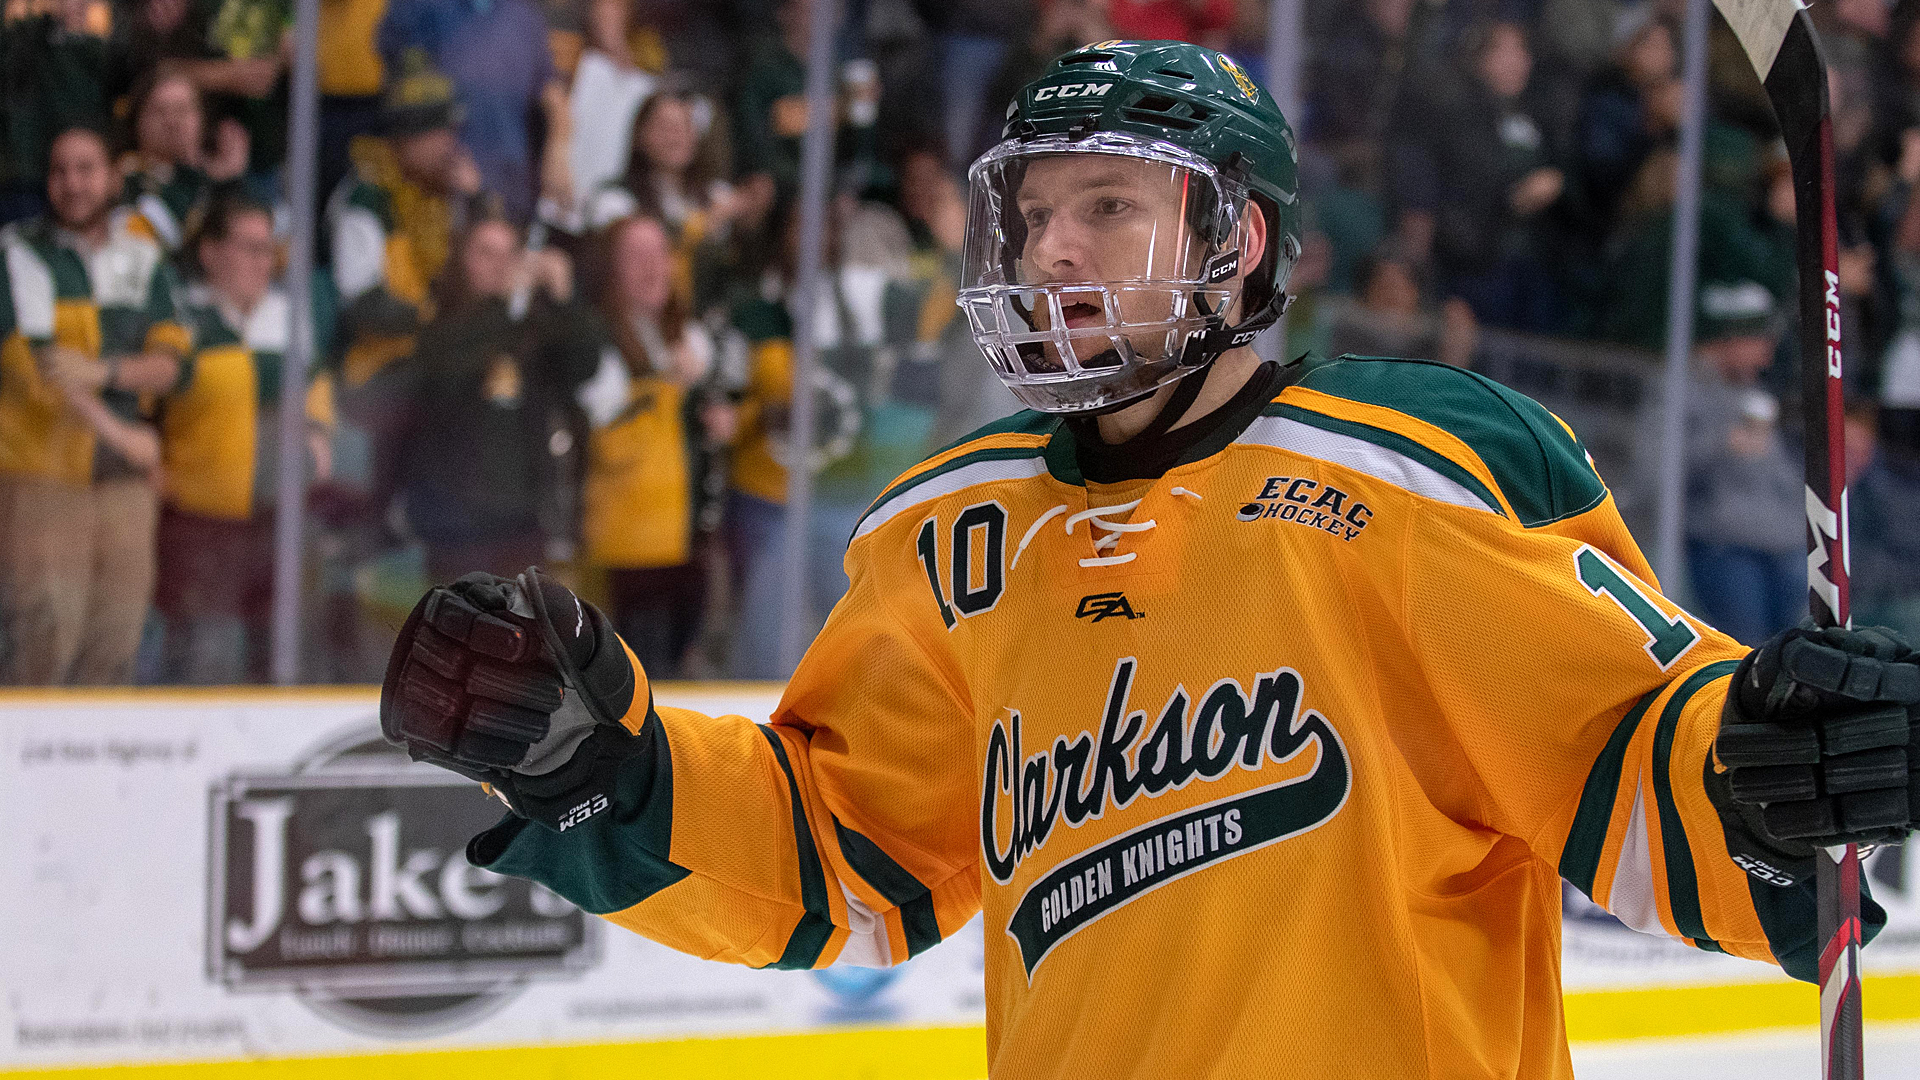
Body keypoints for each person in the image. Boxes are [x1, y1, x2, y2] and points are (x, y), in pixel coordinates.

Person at [378, 43, 1920, 1078]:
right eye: (1038, 213)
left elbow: (1632, 757)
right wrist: (618, 774)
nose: (1052, 250)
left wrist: (1774, 777)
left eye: (1106, 207)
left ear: (1239, 241)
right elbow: (848, 854)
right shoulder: (946, 535)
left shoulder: (1422, 473)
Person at [0, 125, 193, 684]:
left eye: (85, 169)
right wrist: (126, 433)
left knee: (117, 636)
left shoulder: (143, 256)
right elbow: (41, 371)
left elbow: (176, 364)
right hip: (43, 475)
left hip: (121, 484)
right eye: (59, 170)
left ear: (113, 177)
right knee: (44, 638)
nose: (71, 183)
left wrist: (105, 370)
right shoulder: (20, 251)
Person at [155, 190, 332, 683]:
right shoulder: (182, 320)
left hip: (279, 516)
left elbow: (316, 387)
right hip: (201, 520)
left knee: (286, 651)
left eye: (267, 249)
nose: (262, 261)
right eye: (248, 247)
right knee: (203, 657)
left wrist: (315, 430)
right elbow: (155, 405)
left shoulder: (287, 317)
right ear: (211, 253)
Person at [370, 215, 600, 583]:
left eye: (510, 255)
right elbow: (445, 372)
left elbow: (584, 365)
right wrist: (505, 307)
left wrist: (564, 299)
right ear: (461, 260)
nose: (500, 267)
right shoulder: (439, 324)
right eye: (486, 254)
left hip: (524, 520)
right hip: (454, 524)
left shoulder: (533, 327)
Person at [578, 213, 735, 676]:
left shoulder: (688, 338)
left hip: (688, 545)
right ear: (611, 269)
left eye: (660, 254)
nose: (654, 267)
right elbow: (606, 428)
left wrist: (719, 416)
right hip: (627, 556)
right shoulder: (596, 341)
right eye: (636, 257)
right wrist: (670, 385)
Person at [326, 55, 480, 386]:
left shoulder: (448, 193)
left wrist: (477, 204)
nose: (451, 143)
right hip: (378, 373)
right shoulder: (367, 197)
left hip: (438, 363)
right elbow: (362, 304)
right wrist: (435, 320)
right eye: (439, 132)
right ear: (407, 140)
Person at [377, 0, 557, 222]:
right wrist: (436, 157)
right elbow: (402, 94)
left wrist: (560, 143)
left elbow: (548, 87)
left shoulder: (523, 15)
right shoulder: (418, 7)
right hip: (439, 192)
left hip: (509, 187)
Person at [120, 71, 250, 253]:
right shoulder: (121, 180)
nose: (172, 122)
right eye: (160, 111)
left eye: (182, 110)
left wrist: (227, 182)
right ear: (138, 118)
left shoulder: (209, 184)